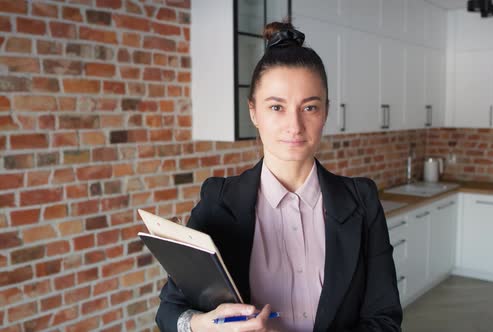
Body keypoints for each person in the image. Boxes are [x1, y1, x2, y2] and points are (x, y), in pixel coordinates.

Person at [156, 21, 403, 332]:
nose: (294, 126)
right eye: (276, 107)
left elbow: (385, 320)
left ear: (325, 112)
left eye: (309, 107)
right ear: (254, 113)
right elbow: (170, 313)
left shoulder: (362, 201)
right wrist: (206, 325)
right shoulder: (218, 200)